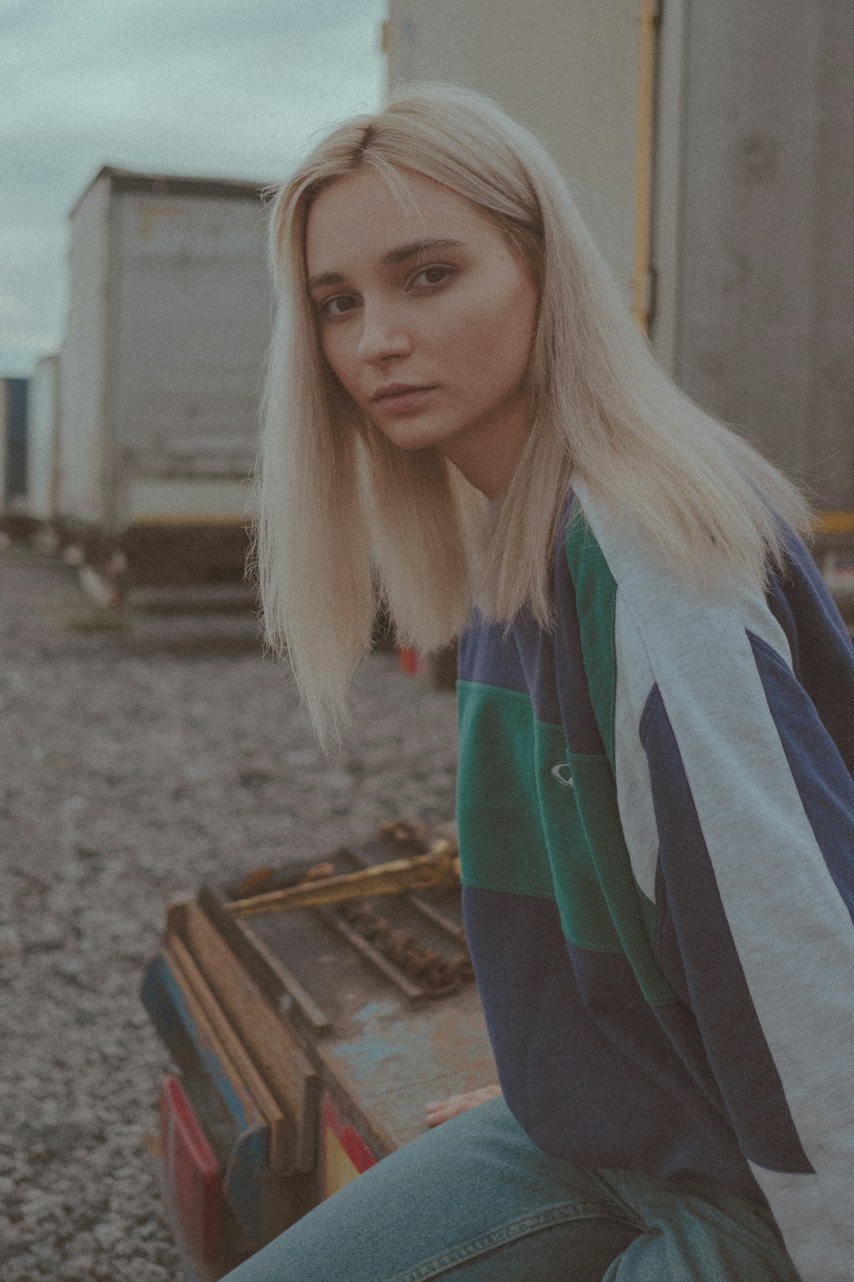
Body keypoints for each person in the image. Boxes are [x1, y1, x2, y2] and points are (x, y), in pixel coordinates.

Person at [232, 84, 854, 1282]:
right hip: (613, 1127)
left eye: (428, 275)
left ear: (541, 273)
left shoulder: (638, 550)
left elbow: (794, 957)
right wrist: (572, 1050)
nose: (375, 342)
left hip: (753, 1193)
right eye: (337, 303)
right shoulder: (518, 537)